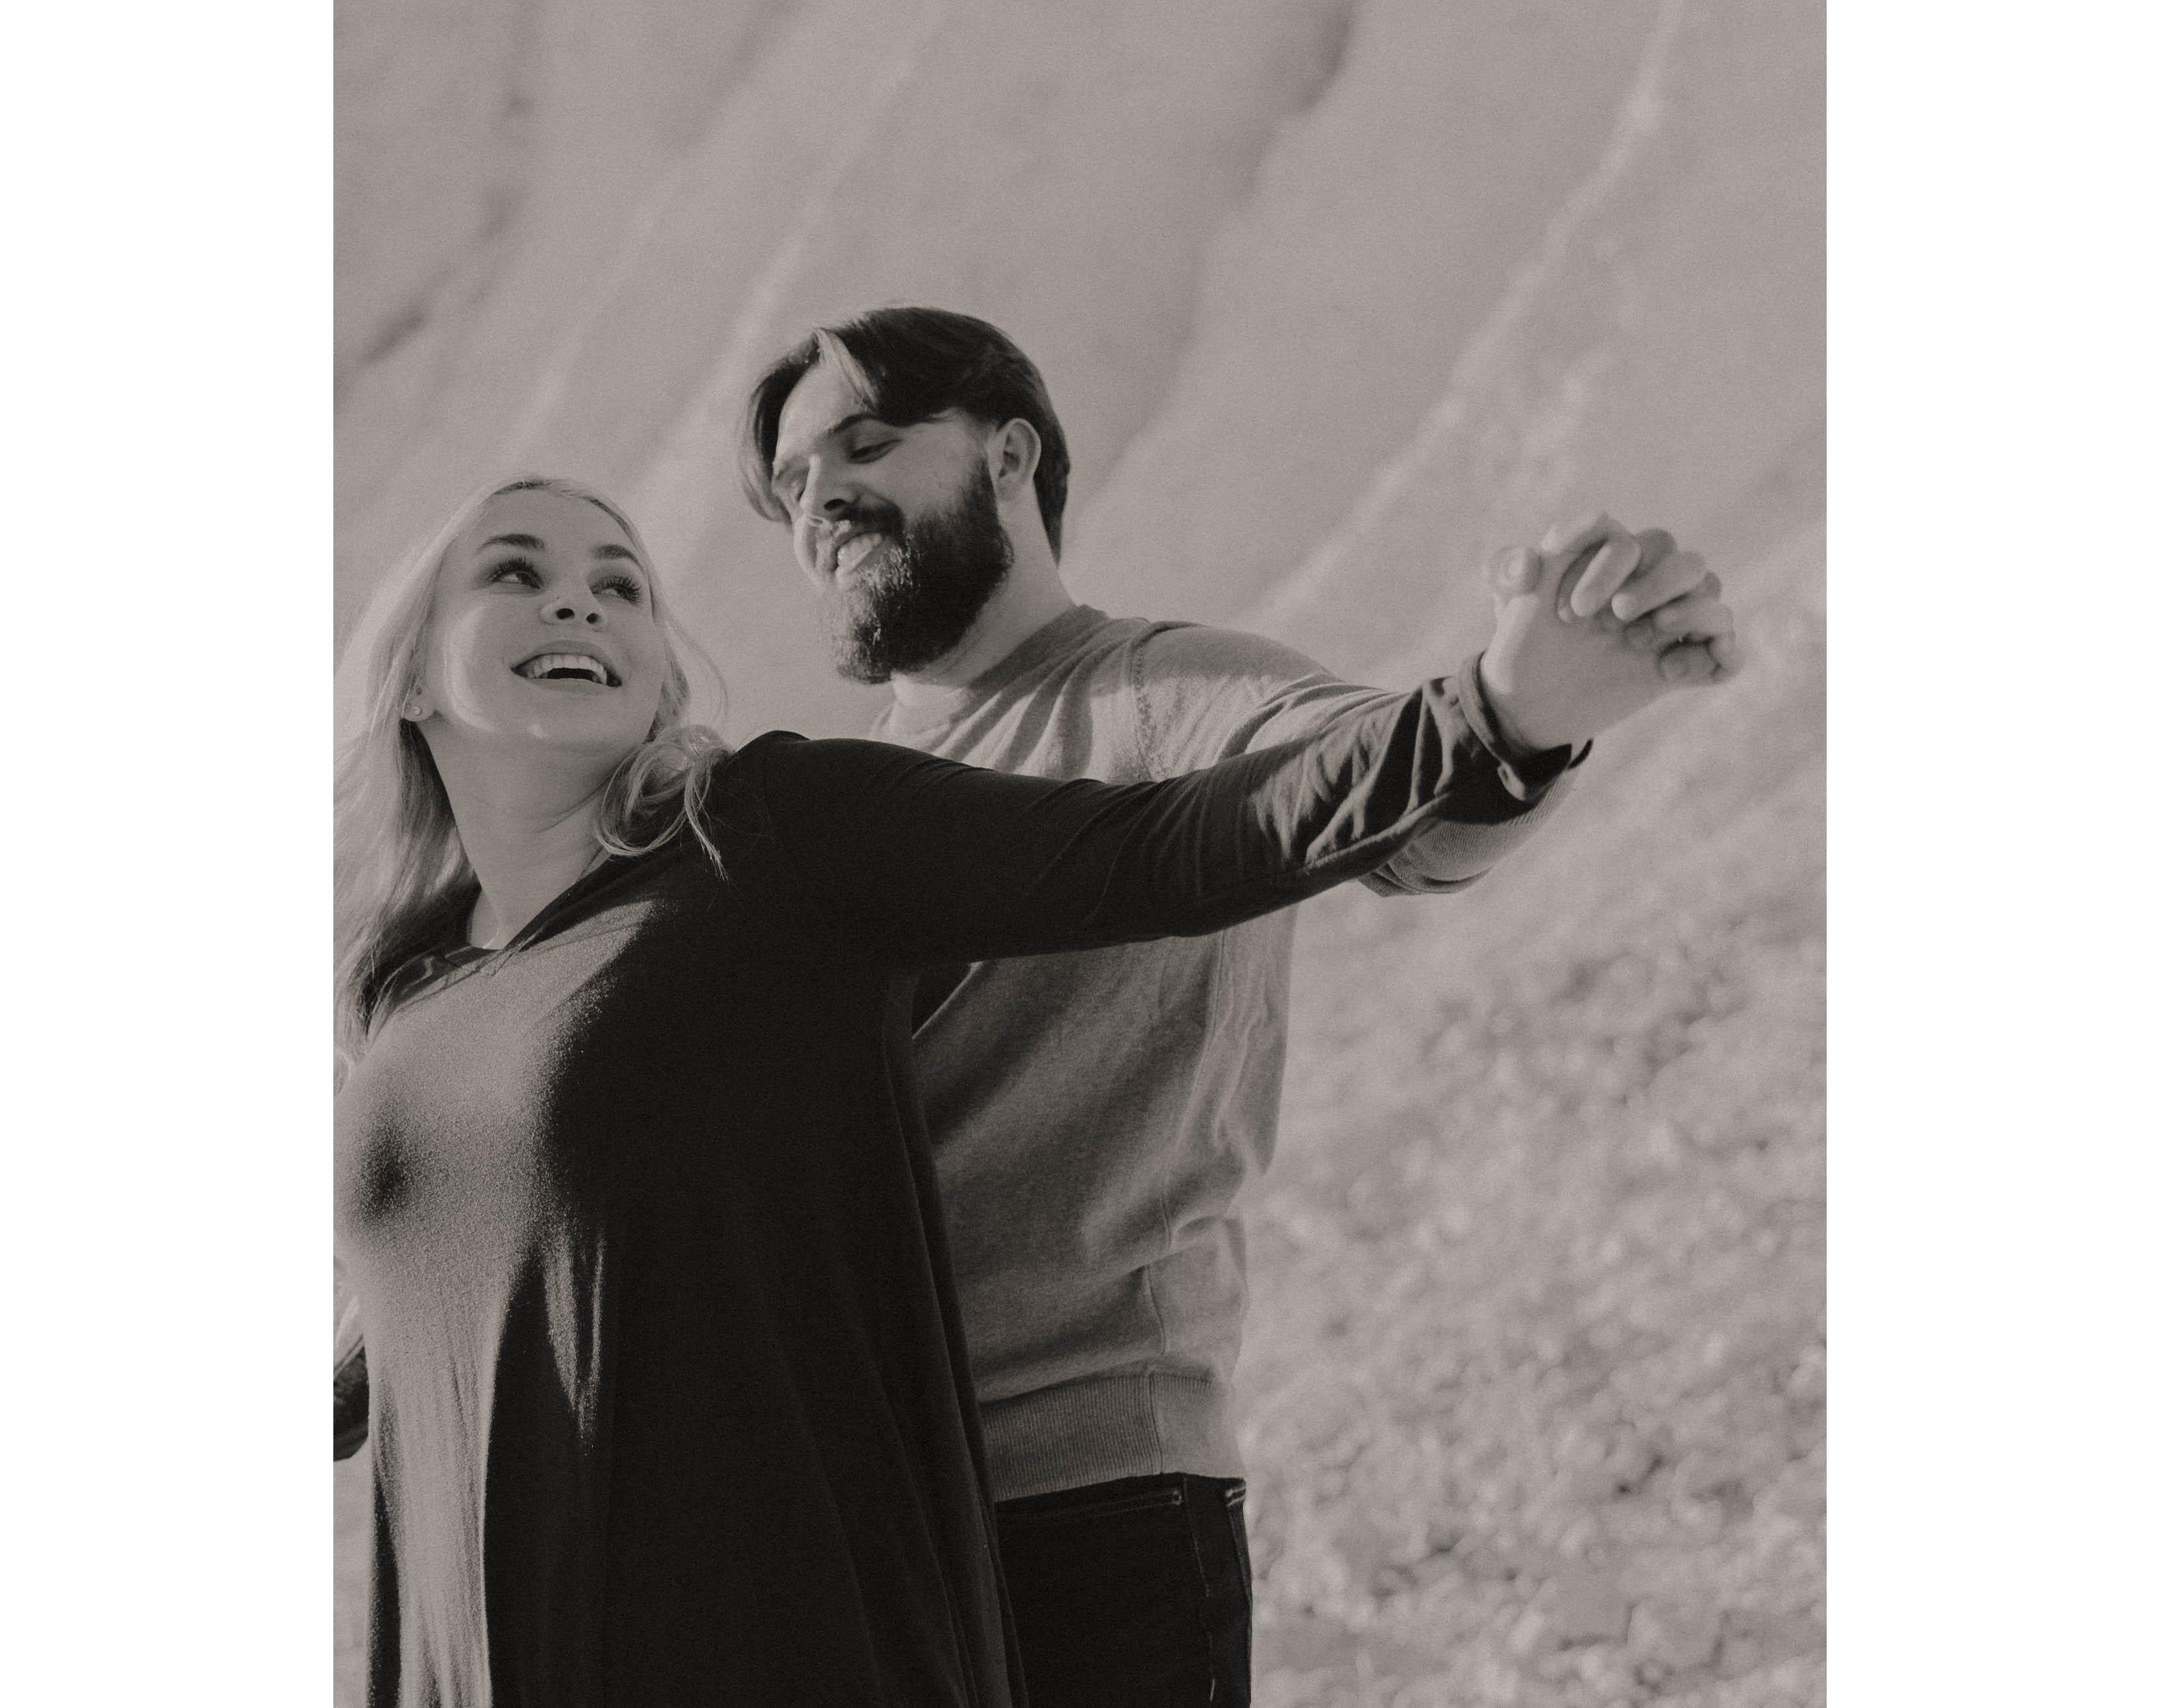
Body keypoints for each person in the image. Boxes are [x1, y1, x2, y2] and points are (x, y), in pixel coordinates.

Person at [333, 469, 1667, 1707]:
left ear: (661, 673)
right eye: (516, 571)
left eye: (620, 583)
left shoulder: (775, 834)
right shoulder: (407, 989)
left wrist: (1495, 719)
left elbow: (1157, 846)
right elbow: (433, 1293)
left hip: (767, 1644)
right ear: (409, 675)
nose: (580, 600)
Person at [741, 307, 1739, 1707]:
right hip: (858, 1526)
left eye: (865, 444)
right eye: (792, 483)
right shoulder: (824, 797)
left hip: (1087, 1508)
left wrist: (1515, 715)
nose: (821, 498)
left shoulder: (1171, 691)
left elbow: (1386, 814)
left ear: (1009, 454)